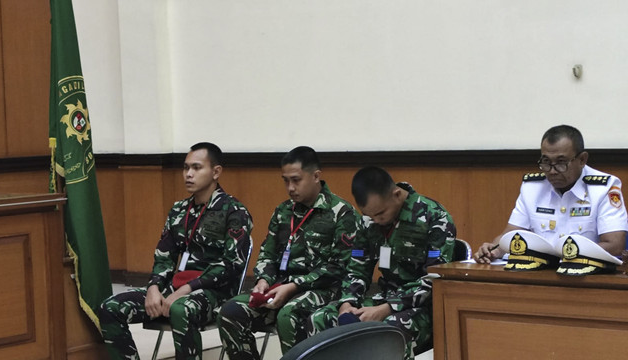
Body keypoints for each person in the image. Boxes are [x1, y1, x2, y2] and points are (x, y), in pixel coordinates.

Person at [99, 142, 253, 360]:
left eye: (197, 168)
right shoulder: (179, 210)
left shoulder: (234, 211)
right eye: (185, 167)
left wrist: (187, 289)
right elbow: (165, 256)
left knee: (181, 309)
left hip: (214, 292)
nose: (188, 174)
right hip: (174, 288)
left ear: (216, 172)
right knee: (111, 307)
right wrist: (154, 287)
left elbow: (232, 264)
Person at [217, 146, 361, 360]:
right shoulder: (284, 211)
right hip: (280, 286)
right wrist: (264, 280)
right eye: (285, 180)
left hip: (325, 289)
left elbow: (338, 268)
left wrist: (294, 286)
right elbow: (268, 253)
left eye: (296, 180)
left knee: (289, 314)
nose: (290, 187)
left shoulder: (342, 213)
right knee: (231, 311)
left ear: (316, 176)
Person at [308, 166, 457, 360]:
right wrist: (348, 302)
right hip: (383, 298)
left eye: (381, 214)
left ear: (396, 194)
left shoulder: (434, 217)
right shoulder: (369, 221)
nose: (376, 221)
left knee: (387, 332)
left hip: (423, 307)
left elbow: (434, 280)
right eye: (371, 216)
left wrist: (387, 308)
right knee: (320, 319)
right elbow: (357, 268)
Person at [475, 125, 628, 263]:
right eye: (546, 162)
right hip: (540, 276)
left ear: (582, 159)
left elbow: (615, 245)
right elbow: (510, 235)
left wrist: (565, 254)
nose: (552, 171)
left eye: (561, 162)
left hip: (586, 277)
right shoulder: (532, 188)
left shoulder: (603, 188)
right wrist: (495, 249)